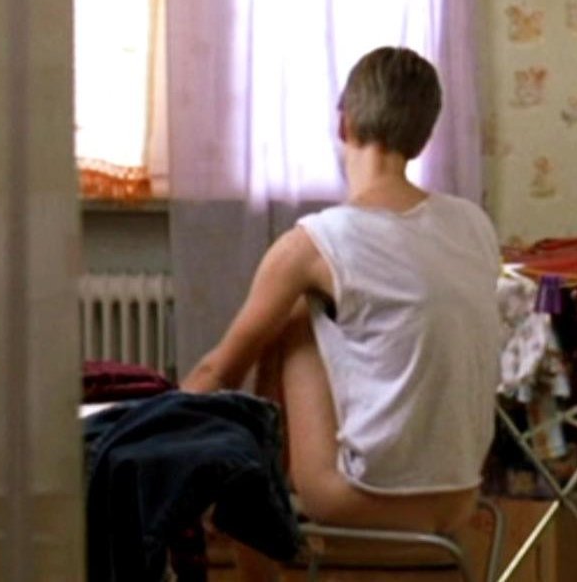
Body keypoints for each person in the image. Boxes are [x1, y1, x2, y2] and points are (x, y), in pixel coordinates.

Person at [181, 47, 501, 578]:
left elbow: (220, 371)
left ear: (343, 122)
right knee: (314, 312)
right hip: (461, 497)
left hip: (358, 501)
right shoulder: (474, 225)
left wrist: (144, 431)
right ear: (423, 137)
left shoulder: (317, 242)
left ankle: (261, 566)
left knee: (291, 320)